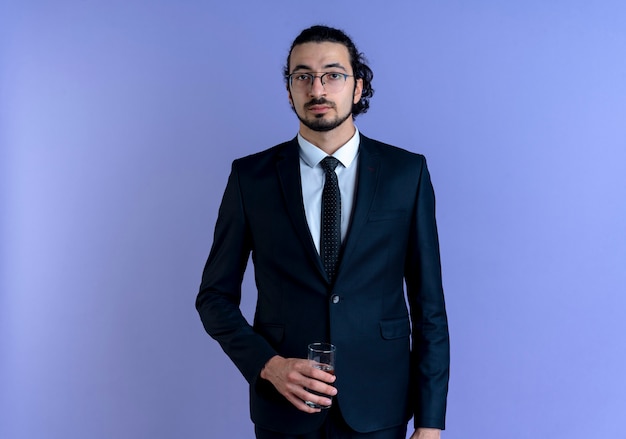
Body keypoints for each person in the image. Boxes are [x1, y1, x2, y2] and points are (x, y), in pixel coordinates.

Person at [196, 25, 450, 439]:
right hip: (284, 405)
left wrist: (430, 423)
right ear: (290, 90)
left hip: (379, 406)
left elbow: (430, 307)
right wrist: (269, 365)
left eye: (333, 74)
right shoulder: (251, 178)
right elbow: (213, 297)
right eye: (303, 76)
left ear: (357, 87)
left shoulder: (407, 174)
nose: (318, 88)